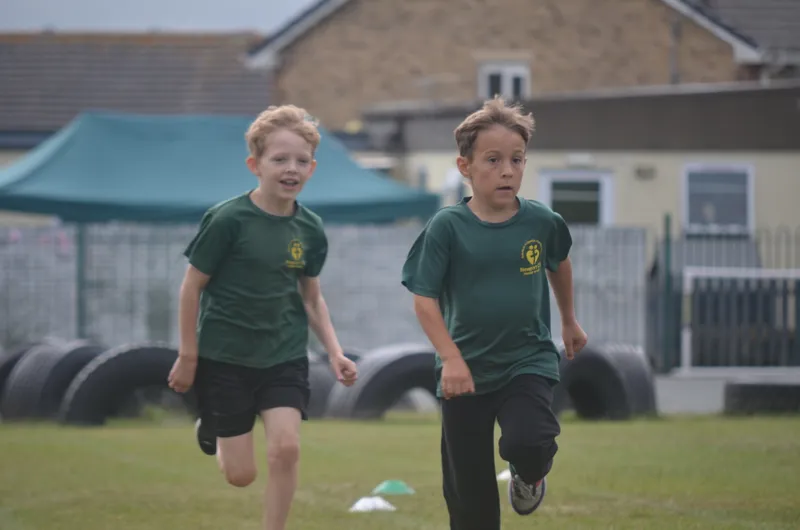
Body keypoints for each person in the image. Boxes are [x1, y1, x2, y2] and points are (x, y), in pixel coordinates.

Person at [167, 104, 358, 530]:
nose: (291, 169)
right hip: (225, 358)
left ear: (312, 168)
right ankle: (213, 424)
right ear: (255, 165)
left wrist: (334, 351)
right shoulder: (227, 219)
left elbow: (311, 296)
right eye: (280, 159)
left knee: (286, 449)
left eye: (301, 161)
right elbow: (191, 287)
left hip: (283, 356)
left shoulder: (310, 229)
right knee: (241, 476)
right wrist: (189, 356)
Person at [401, 96, 588, 530]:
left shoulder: (542, 222)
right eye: (493, 159)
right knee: (470, 499)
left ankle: (529, 476)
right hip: (465, 369)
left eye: (517, 159)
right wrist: (450, 359)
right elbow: (423, 299)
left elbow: (558, 261)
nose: (508, 170)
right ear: (465, 166)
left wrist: (568, 319)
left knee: (532, 441)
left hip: (528, 359)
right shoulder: (447, 227)